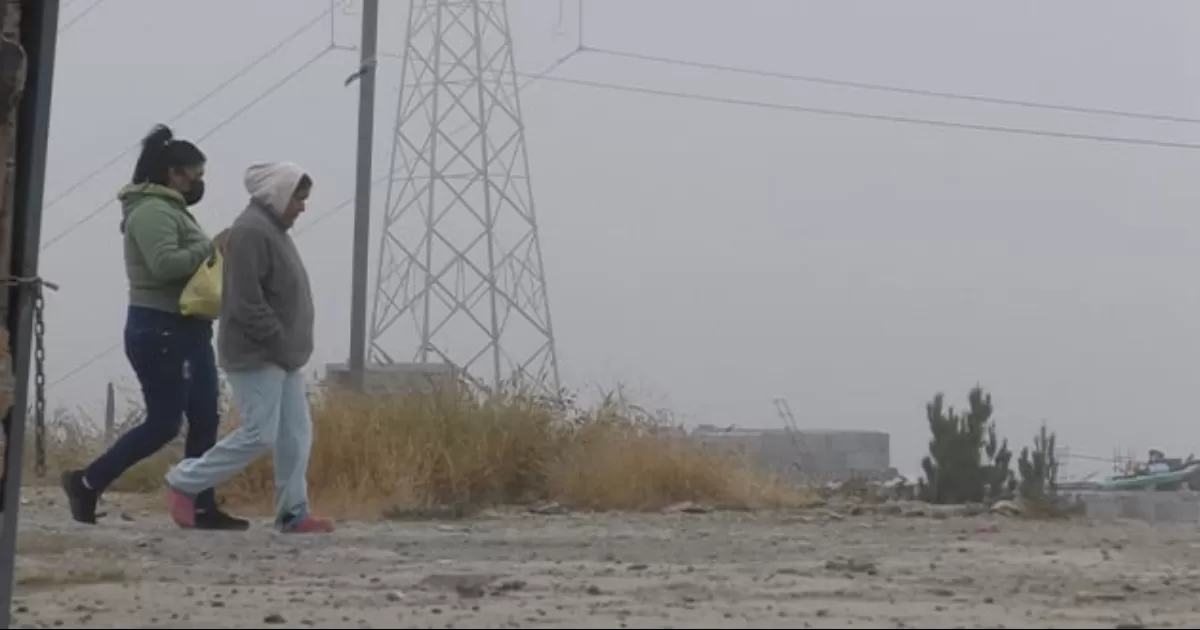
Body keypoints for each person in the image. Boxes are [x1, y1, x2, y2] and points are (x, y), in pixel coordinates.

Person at [62, 124, 249, 530]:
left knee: (204, 417)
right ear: (173, 173)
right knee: (164, 422)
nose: (200, 183)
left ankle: (200, 505)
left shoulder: (172, 210)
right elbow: (165, 266)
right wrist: (211, 246)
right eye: (194, 175)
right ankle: (87, 481)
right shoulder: (149, 212)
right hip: (160, 329)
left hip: (189, 328)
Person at [163, 161, 333, 534]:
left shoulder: (271, 229)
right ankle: (185, 480)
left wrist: (288, 346)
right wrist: (281, 339)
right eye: (298, 199)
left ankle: (293, 512)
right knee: (260, 433)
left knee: (296, 434)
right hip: (257, 354)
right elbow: (245, 303)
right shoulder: (251, 232)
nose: (302, 207)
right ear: (278, 194)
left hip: (281, 356)